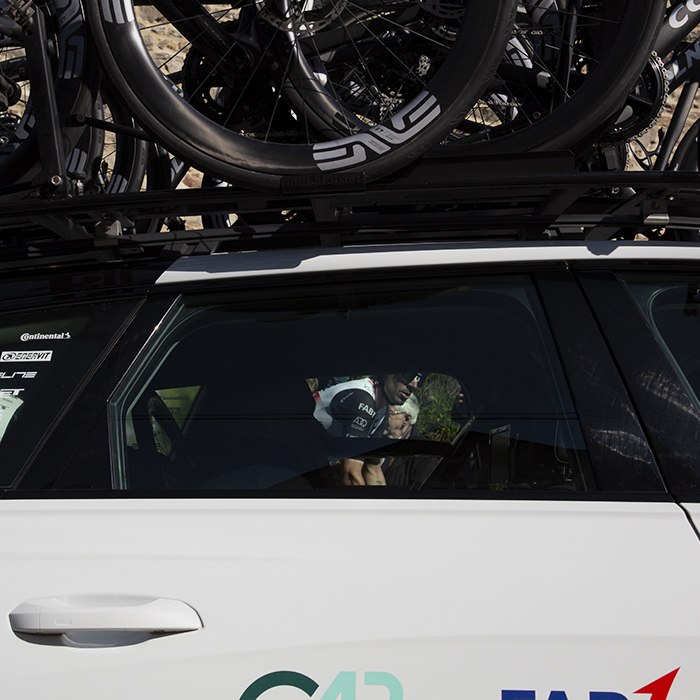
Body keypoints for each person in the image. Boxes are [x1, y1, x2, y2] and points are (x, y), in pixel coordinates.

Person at [313, 373, 425, 485]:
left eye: (420, 379)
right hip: (299, 465)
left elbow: (373, 469)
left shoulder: (382, 411)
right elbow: (351, 475)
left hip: (313, 465)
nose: (414, 385)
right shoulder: (362, 400)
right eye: (409, 374)